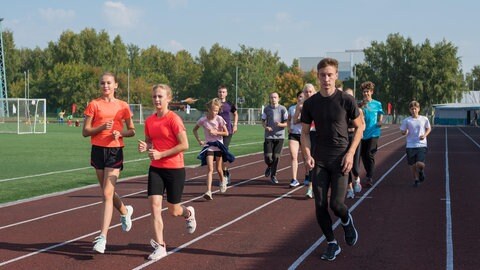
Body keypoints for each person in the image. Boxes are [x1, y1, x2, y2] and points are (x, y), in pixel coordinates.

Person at [300, 58, 364, 261]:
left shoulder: (346, 100)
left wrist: (351, 153)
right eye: (322, 75)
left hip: (341, 159)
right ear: (317, 76)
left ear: (336, 76)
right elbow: (304, 132)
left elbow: (360, 127)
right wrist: (307, 154)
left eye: (330, 75)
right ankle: (332, 243)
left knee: (336, 204)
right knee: (319, 205)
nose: (326, 79)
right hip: (319, 159)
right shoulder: (310, 103)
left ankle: (346, 221)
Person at [138, 84, 196, 260]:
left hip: (175, 169)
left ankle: (189, 213)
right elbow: (150, 141)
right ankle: (160, 246)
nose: (156, 99)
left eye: (160, 96)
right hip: (156, 169)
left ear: (168, 99)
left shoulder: (174, 119)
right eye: (154, 96)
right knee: (155, 207)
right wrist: (145, 146)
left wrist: (161, 153)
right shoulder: (149, 121)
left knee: (174, 210)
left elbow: (185, 145)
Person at [82, 72, 136, 254]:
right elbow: (85, 131)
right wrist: (100, 128)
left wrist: (120, 134)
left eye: (108, 83)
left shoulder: (123, 106)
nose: (105, 86)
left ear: (116, 85)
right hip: (98, 151)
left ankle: (102, 237)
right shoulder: (94, 104)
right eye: (102, 83)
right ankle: (124, 211)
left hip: (114, 151)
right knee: (107, 193)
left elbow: (132, 131)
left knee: (106, 193)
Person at [193, 98, 229, 200]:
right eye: (214, 110)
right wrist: (199, 140)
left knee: (218, 168)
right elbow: (194, 130)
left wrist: (216, 132)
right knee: (210, 169)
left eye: (217, 111)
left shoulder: (219, 119)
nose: (215, 113)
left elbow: (226, 133)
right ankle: (208, 191)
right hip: (209, 146)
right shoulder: (203, 120)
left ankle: (223, 181)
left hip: (218, 145)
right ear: (209, 109)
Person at [399, 101, 431, 187]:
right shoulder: (407, 120)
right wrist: (404, 132)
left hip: (421, 144)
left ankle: (421, 171)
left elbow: (428, 128)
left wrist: (424, 135)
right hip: (410, 145)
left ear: (419, 109)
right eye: (412, 109)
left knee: (419, 164)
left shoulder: (424, 119)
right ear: (410, 110)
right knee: (412, 165)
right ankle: (416, 180)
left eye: (415, 108)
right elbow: (402, 131)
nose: (414, 110)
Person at [293, 83, 317, 198]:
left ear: (314, 92)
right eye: (306, 92)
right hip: (309, 134)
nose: (308, 93)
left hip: (321, 134)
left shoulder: (320, 103)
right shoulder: (303, 105)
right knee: (310, 159)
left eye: (310, 91)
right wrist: (299, 110)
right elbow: (295, 121)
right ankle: (310, 188)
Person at [360, 81, 384, 187]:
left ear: (372, 92)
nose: (366, 94)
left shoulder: (377, 103)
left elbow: (381, 114)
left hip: (374, 132)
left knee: (369, 153)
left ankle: (369, 176)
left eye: (367, 92)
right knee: (363, 155)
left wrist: (380, 121)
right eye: (364, 92)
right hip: (363, 133)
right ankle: (368, 173)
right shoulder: (361, 104)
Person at [262, 92, 288, 184]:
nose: (273, 99)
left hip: (280, 136)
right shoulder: (266, 109)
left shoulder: (283, 109)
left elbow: (287, 123)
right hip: (269, 136)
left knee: (276, 157)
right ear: (270, 98)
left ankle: (273, 175)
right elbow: (263, 121)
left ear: (278, 99)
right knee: (268, 157)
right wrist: (266, 127)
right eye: (272, 97)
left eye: (275, 97)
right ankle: (269, 166)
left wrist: (280, 124)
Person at [217, 85, 238, 185]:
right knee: (218, 154)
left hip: (228, 131)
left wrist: (235, 125)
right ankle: (224, 173)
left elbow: (236, 114)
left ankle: (225, 174)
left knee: (223, 151)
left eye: (223, 92)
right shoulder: (215, 103)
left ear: (226, 93)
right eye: (220, 92)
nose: (222, 93)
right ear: (218, 93)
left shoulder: (229, 104)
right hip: (217, 132)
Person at [344, 88, 364, 198]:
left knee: (355, 167)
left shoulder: (358, 110)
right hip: (344, 138)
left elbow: (362, 125)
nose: (348, 98)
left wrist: (360, 133)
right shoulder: (341, 110)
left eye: (350, 96)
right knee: (346, 165)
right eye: (346, 95)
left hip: (355, 137)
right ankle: (350, 189)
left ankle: (356, 178)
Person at [287, 91, 308, 188]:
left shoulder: (308, 108)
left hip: (304, 134)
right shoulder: (291, 108)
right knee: (293, 156)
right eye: (299, 96)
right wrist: (288, 128)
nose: (301, 98)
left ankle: (307, 176)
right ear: (297, 98)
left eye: (303, 97)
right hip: (293, 134)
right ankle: (294, 179)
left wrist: (299, 120)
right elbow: (289, 119)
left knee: (305, 157)